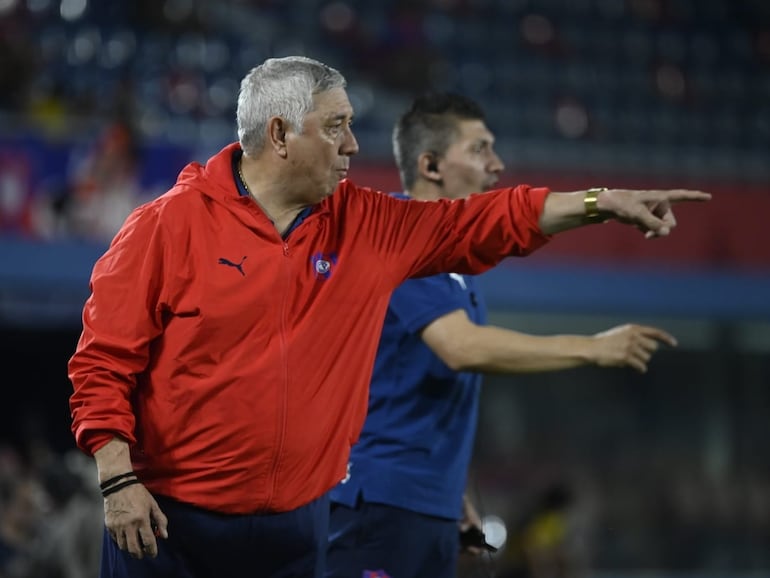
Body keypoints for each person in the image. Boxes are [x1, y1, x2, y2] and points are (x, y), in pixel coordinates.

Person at [67, 56, 709, 578]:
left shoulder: (367, 226)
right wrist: (117, 479)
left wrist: (600, 202)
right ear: (281, 135)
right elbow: (102, 362)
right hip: (170, 524)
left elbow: (489, 218)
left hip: (296, 529)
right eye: (336, 126)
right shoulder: (164, 226)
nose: (352, 144)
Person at [324, 92, 680, 578]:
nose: (497, 163)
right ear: (430, 165)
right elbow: (459, 347)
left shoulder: (453, 263)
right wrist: (593, 346)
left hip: (422, 502)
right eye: (479, 149)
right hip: (381, 501)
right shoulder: (396, 238)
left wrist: (455, 496)